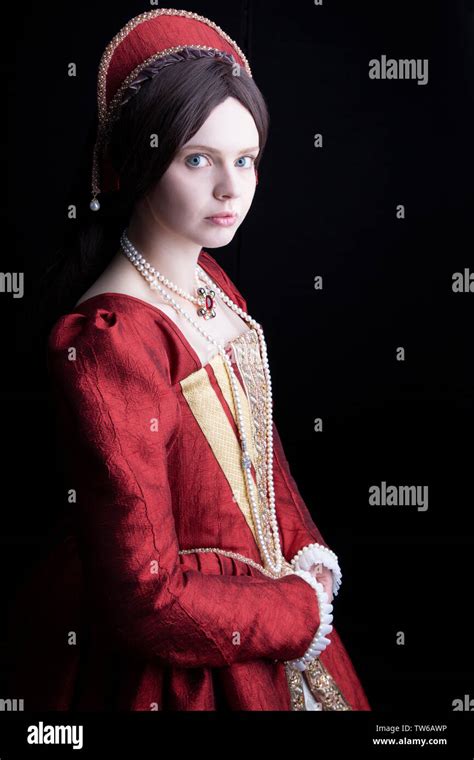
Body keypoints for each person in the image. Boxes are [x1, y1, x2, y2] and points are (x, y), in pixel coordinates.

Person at [8, 8, 371, 711]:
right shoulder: (110, 336)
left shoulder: (206, 281)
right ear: (139, 159)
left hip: (266, 600)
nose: (231, 189)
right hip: (185, 659)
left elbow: (261, 469)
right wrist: (296, 614)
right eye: (198, 159)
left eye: (247, 160)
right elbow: (146, 598)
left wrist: (307, 557)